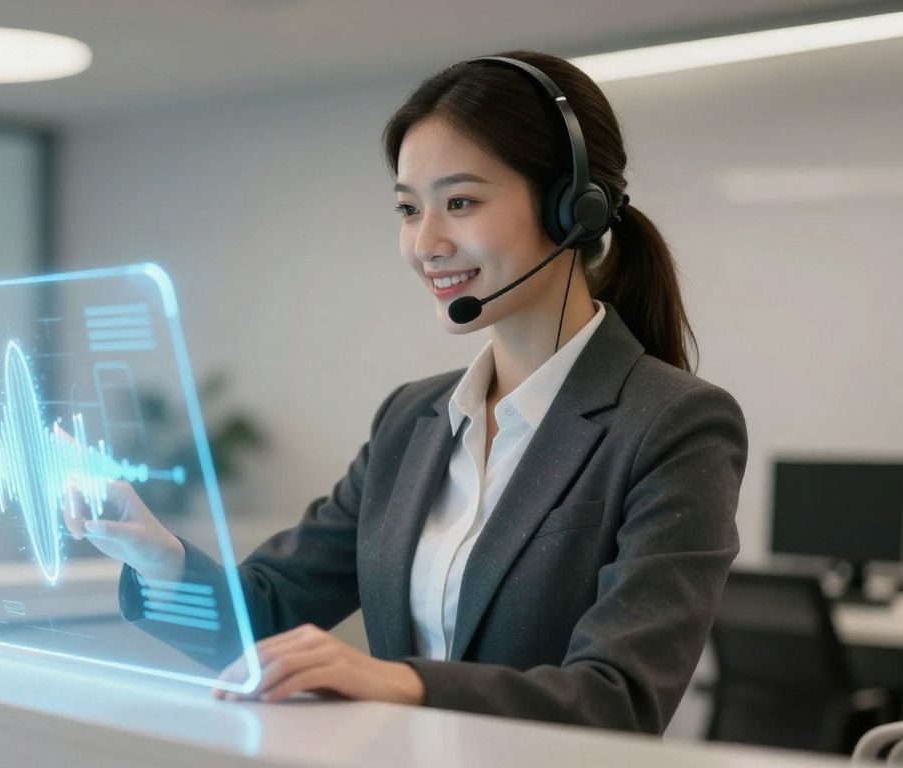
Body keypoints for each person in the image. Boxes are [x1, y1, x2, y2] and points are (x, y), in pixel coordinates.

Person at [62, 51, 748, 734]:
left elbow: (618, 699)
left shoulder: (674, 424)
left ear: (574, 209)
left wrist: (399, 681)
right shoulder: (411, 420)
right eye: (407, 209)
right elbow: (262, 615)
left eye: (460, 202)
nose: (426, 242)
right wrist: (155, 554)